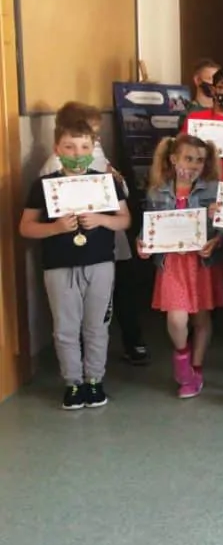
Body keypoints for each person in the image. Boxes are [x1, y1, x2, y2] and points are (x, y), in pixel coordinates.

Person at [20, 119, 131, 409]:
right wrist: (55, 228)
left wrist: (101, 219)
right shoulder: (43, 185)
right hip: (59, 266)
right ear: (57, 149)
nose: (77, 153)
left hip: (100, 264)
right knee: (65, 328)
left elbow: (124, 220)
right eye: (69, 146)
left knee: (97, 326)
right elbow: (26, 227)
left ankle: (94, 380)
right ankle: (73, 383)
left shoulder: (106, 182)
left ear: (93, 148)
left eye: (84, 146)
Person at [41, 102, 148, 365]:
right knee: (72, 315)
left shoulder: (97, 153)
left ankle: (122, 350)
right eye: (91, 131)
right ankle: (74, 368)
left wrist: (115, 182)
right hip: (70, 251)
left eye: (94, 136)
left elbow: (121, 206)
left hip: (106, 242)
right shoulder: (53, 166)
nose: (92, 141)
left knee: (114, 300)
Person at [139, 134, 223, 398]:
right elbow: (148, 226)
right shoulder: (157, 190)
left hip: (201, 263)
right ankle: (182, 357)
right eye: (188, 158)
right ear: (173, 159)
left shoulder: (213, 190)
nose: (194, 165)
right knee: (177, 319)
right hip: (172, 265)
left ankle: (196, 369)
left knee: (201, 318)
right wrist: (142, 243)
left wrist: (217, 240)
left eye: (200, 160)